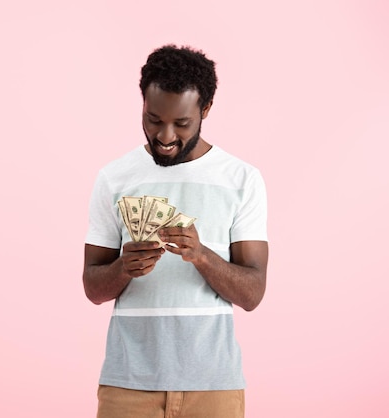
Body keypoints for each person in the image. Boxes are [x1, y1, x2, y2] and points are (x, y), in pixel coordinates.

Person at [82, 44, 269, 418]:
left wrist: (202, 256)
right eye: (153, 119)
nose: (164, 136)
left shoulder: (242, 179)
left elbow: (252, 294)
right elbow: (92, 287)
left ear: (205, 111)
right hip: (128, 384)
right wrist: (123, 268)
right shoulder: (114, 178)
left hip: (213, 385)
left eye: (181, 123)